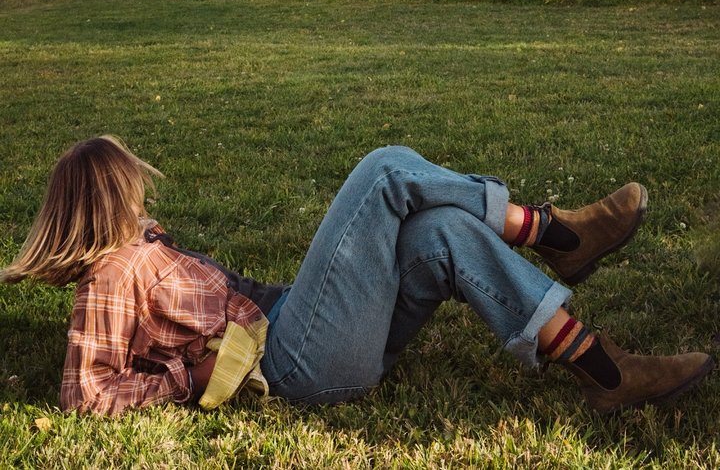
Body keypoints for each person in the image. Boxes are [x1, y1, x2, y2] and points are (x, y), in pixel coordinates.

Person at [0, 136, 713, 417]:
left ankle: (605, 372)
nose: (143, 195)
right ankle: (555, 234)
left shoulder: (141, 249)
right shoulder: (109, 277)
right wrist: (188, 380)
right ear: (107, 200)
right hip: (294, 364)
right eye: (132, 187)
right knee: (381, 171)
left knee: (440, 232)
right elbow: (83, 396)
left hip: (300, 328)